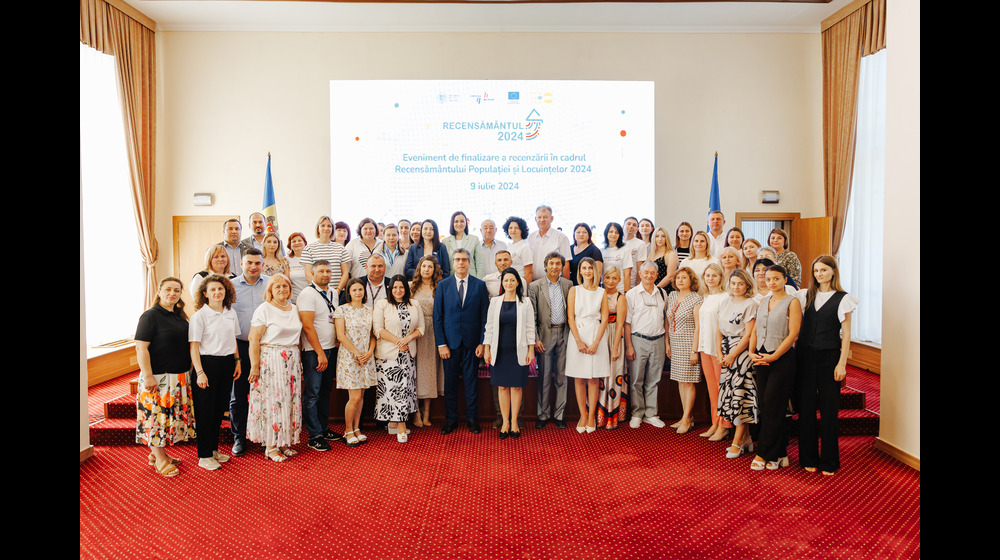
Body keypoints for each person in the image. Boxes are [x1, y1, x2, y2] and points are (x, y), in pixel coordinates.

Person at [795, 255, 858, 476]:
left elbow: (847, 334)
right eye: (816, 271)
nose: (819, 274)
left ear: (833, 271)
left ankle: (829, 460)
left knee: (829, 411)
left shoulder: (844, 298)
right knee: (807, 409)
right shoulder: (805, 295)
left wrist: (842, 364)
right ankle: (808, 457)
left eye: (823, 270)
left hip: (830, 357)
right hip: (805, 358)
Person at [135, 277, 196, 477]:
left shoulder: (179, 316)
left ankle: (157, 455)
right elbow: (141, 348)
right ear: (159, 291)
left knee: (167, 419)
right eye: (168, 289)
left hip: (178, 377)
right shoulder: (150, 316)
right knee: (156, 418)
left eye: (176, 290)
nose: (172, 293)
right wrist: (148, 375)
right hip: (158, 377)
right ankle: (159, 459)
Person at [748, 264, 802, 471]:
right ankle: (779, 452)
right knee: (765, 405)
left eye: (776, 279)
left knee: (774, 404)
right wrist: (752, 352)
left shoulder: (792, 301)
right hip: (761, 358)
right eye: (768, 279)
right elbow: (754, 329)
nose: (771, 282)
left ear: (785, 280)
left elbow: (793, 334)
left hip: (782, 359)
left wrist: (774, 356)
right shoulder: (763, 300)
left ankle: (763, 453)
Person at [247, 274, 303, 462]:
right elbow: (253, 339)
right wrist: (254, 367)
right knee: (274, 401)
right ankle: (271, 445)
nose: (281, 290)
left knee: (290, 401)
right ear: (270, 290)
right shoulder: (264, 309)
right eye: (277, 287)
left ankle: (283, 441)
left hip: (292, 359)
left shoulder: (294, 308)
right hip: (271, 360)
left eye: (285, 286)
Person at [433, 248, 490, 435]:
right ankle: (451, 420)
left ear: (469, 262)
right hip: (449, 345)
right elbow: (438, 317)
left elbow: (484, 317)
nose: (461, 263)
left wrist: (482, 342)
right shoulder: (443, 285)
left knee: (471, 383)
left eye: (464, 259)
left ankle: (472, 419)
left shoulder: (480, 286)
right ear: (453, 262)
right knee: (450, 384)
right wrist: (441, 344)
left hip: (473, 345)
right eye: (457, 259)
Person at [189, 274, 240, 470]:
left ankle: (213, 450)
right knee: (205, 412)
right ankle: (204, 455)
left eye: (220, 289)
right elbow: (194, 347)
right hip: (207, 365)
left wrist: (237, 361)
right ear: (205, 294)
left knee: (219, 410)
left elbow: (234, 339)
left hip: (227, 363)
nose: (217, 292)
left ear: (226, 291)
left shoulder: (230, 312)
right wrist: (200, 373)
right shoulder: (199, 316)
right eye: (212, 290)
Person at [483, 267, 535, 439]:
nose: (509, 283)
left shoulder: (525, 302)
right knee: (502, 386)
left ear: (518, 282)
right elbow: (489, 327)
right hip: (500, 349)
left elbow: (530, 328)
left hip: (518, 349)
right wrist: (487, 348)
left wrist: (531, 349)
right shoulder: (495, 301)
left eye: (512, 280)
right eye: (506, 280)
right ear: (502, 283)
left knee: (516, 386)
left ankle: (514, 422)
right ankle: (505, 422)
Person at [373, 275, 424, 443]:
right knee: (392, 392)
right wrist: (397, 341)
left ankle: (395, 424)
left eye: (401, 287)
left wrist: (406, 340)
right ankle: (399, 426)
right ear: (390, 289)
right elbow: (378, 330)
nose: (398, 290)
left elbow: (421, 328)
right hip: (388, 356)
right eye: (394, 287)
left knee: (404, 390)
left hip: (408, 354)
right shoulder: (382, 304)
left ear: (406, 289)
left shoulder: (414, 304)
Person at [297, 259, 341, 452]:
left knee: (325, 392)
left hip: (331, 348)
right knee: (312, 394)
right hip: (314, 352)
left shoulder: (333, 292)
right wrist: (320, 353)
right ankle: (314, 436)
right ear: (313, 274)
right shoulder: (307, 294)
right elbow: (307, 326)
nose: (325, 274)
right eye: (321, 271)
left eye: (328, 271)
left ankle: (323, 428)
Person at [230, 249, 270, 457]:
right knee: (238, 394)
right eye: (249, 263)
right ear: (241, 263)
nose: (253, 266)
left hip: (268, 347)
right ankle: (239, 437)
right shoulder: (232, 287)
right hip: (241, 347)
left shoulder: (272, 283)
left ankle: (265, 433)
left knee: (267, 393)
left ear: (263, 264)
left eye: (257, 263)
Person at [716, 269, 759, 459]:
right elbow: (718, 328)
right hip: (726, 350)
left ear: (747, 285)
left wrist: (733, 354)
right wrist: (720, 352)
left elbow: (749, 334)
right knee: (730, 395)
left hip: (741, 352)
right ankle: (746, 438)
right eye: (733, 283)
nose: (736, 287)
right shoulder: (725, 301)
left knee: (740, 397)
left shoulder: (751, 304)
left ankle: (737, 442)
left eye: (740, 284)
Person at [527, 251, 572, 429]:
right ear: (545, 265)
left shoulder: (568, 285)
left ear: (562, 266)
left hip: (564, 333)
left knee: (562, 376)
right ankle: (543, 414)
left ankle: (560, 414)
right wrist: (535, 339)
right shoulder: (535, 286)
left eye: (558, 264)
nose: (555, 267)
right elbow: (532, 316)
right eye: (551, 263)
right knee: (544, 377)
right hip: (544, 336)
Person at [566, 257, 611, 433]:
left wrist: (596, 343)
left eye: (590, 268)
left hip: (596, 334)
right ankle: (582, 415)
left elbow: (605, 318)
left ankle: (591, 415)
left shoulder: (601, 292)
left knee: (593, 379)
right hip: (578, 334)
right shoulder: (574, 290)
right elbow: (570, 317)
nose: (587, 271)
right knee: (579, 378)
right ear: (580, 271)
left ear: (594, 271)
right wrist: (578, 340)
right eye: (584, 268)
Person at [624, 261, 669, 429]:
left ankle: (651, 414)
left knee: (654, 379)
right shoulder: (632, 294)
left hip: (658, 340)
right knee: (636, 379)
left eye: (653, 273)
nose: (649, 275)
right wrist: (629, 345)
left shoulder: (662, 294)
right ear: (640, 274)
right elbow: (627, 323)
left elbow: (665, 320)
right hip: (638, 339)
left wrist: (666, 343)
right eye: (646, 272)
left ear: (657, 276)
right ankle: (637, 413)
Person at [334, 278, 377, 447]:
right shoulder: (342, 310)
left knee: (362, 397)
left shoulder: (369, 311)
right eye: (354, 290)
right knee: (355, 397)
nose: (358, 292)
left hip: (366, 357)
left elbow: (373, 335)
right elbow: (340, 336)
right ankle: (348, 430)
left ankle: (357, 428)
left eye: (360, 289)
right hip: (349, 357)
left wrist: (369, 352)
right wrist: (357, 353)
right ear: (349, 293)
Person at [666, 267, 703, 434]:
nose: (680, 280)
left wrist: (694, 350)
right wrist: (667, 344)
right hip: (675, 343)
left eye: (684, 278)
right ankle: (684, 416)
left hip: (689, 344)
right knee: (681, 381)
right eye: (678, 278)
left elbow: (698, 326)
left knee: (688, 382)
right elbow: (666, 321)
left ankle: (687, 418)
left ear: (691, 280)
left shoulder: (696, 299)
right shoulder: (672, 296)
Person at [409, 255, 445, 427]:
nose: (426, 270)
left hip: (433, 331)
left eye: (430, 267)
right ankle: (416, 412)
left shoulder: (439, 287)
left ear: (434, 270)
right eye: (424, 266)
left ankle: (427, 413)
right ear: (419, 268)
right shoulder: (411, 287)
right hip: (415, 332)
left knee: (429, 372)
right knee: (415, 372)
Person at [696, 264, 730, 441]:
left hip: (718, 349)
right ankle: (715, 422)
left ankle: (724, 426)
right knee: (711, 389)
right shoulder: (706, 296)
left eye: (714, 275)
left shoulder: (725, 297)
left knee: (721, 387)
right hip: (705, 347)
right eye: (707, 275)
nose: (710, 278)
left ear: (721, 278)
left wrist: (721, 350)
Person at [596, 266, 628, 430]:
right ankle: (599, 416)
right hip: (600, 337)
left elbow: (620, 324)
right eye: (608, 277)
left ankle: (612, 417)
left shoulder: (620, 298)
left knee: (614, 374)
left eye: (614, 278)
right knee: (600, 376)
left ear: (619, 280)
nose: (610, 281)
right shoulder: (598, 293)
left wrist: (615, 348)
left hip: (614, 336)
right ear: (603, 277)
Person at [300, 216, 350, 293]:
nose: (326, 228)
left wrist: (338, 291)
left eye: (329, 226)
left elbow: (345, 273)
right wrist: (321, 291)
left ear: (333, 229)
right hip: (317, 293)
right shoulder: (309, 248)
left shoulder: (340, 248)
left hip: (338, 293)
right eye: (322, 225)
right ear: (318, 228)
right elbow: (308, 274)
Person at [527, 205, 572, 282]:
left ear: (551, 219)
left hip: (554, 283)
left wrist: (566, 287)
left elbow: (566, 265)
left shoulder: (561, 237)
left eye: (545, 217)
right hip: (534, 283)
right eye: (539, 217)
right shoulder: (531, 237)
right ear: (535, 219)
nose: (542, 220)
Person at [442, 210, 487, 278]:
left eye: (462, 221)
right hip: (452, 279)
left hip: (471, 279)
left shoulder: (474, 239)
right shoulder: (445, 241)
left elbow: (479, 264)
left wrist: (479, 283)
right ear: (452, 224)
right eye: (456, 221)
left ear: (466, 223)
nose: (459, 224)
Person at [600, 222, 634, 293]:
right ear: (606, 233)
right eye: (611, 232)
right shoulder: (601, 251)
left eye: (616, 232)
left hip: (620, 290)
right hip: (604, 290)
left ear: (620, 235)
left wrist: (626, 292)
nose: (613, 234)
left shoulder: (625, 250)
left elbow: (627, 274)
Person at [502, 215, 534, 283]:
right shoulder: (509, 247)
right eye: (510, 228)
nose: (513, 230)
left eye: (516, 228)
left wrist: (524, 290)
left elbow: (529, 272)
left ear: (521, 230)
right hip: (510, 284)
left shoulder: (525, 246)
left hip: (521, 284)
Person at [648, 227, 679, 292]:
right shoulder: (650, 255)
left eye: (663, 236)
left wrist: (655, 289)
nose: (660, 239)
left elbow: (670, 276)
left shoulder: (671, 254)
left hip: (665, 290)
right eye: (657, 236)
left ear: (666, 238)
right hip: (650, 290)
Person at [623, 217, 647, 289]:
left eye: (634, 225)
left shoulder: (640, 244)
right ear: (623, 226)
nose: (631, 226)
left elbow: (640, 268)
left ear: (637, 229)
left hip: (632, 284)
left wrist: (637, 286)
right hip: (615, 283)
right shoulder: (617, 242)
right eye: (628, 224)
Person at [285, 232, 309, 303]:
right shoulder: (286, 260)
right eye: (293, 241)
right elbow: (286, 280)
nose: (297, 243)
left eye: (299, 240)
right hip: (294, 300)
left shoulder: (311, 258)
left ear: (305, 243)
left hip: (310, 298)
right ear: (290, 245)